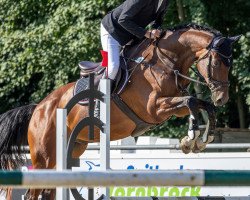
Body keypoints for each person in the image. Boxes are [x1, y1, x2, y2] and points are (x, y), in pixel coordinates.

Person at [101, 0, 170, 83]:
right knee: (113, 67)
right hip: (112, 31)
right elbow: (122, 20)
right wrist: (146, 33)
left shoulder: (165, 1)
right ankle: (101, 94)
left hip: (131, 33)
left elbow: (158, 20)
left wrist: (155, 29)